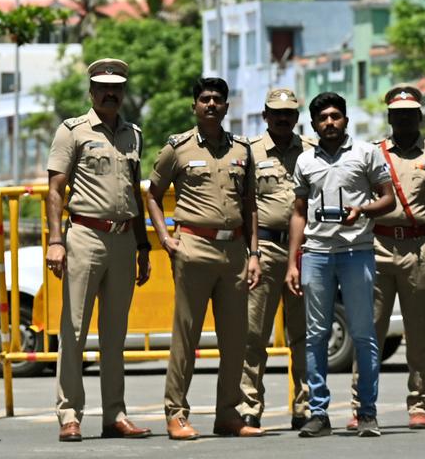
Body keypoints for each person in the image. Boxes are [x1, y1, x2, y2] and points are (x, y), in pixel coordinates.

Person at [144, 77, 262, 440]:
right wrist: (165, 237)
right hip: (193, 247)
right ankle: (176, 413)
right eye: (205, 99)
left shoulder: (242, 149)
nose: (211, 105)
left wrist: (255, 253)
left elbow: (250, 203)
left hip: (235, 251)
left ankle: (228, 414)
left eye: (217, 100)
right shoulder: (177, 148)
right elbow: (151, 193)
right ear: (194, 106)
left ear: (227, 107)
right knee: (186, 335)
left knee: (235, 339)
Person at [45, 58, 153, 442]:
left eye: (117, 88)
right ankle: (70, 415)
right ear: (91, 92)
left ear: (123, 93)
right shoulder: (72, 131)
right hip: (84, 238)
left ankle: (115, 415)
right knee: (73, 330)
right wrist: (56, 241)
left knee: (114, 334)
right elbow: (55, 189)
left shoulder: (133, 134)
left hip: (124, 240)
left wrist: (143, 246)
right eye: (104, 87)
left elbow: (135, 194)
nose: (111, 93)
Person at [285, 92, 395, 438]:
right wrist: (293, 261)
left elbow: (388, 197)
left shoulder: (367, 153)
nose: (329, 123)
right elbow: (299, 212)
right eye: (322, 118)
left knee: (364, 334)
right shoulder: (305, 161)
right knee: (316, 335)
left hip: (356, 252)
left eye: (335, 116)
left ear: (345, 119)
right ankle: (318, 412)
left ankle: (366, 412)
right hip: (316, 254)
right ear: (313, 124)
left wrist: (361, 211)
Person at [348, 85, 425, 430]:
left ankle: (419, 404)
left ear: (419, 116)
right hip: (376, 247)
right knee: (367, 330)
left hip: (420, 248)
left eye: (410, 113)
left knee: (419, 331)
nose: (404, 119)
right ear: (390, 118)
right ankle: (362, 405)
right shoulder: (371, 153)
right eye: (397, 114)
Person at [239, 88, 313, 430]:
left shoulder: (311, 152)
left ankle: (306, 406)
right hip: (265, 249)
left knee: (304, 334)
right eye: (276, 112)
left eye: (289, 113)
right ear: (265, 115)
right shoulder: (249, 152)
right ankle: (250, 405)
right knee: (254, 333)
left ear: (297, 117)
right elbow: (243, 203)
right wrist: (251, 251)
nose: (283, 118)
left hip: (305, 249)